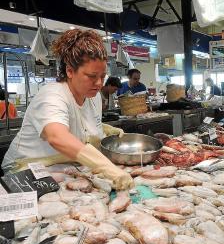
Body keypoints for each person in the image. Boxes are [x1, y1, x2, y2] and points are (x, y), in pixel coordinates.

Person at [1, 29, 133, 190]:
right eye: (92, 76)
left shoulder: (94, 96)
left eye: (102, 76)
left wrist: (103, 129)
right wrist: (108, 168)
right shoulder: (52, 95)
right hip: (26, 169)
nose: (99, 83)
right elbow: (57, 136)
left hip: (65, 166)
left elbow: (81, 127)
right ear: (70, 71)